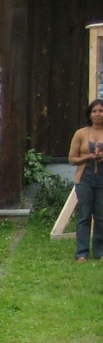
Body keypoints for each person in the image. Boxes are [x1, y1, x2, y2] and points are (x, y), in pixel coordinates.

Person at [67, 98, 103, 262]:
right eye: (94, 111)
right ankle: (82, 253)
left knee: (101, 216)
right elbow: (72, 159)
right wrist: (89, 156)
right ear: (89, 114)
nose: (98, 114)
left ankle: (100, 251)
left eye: (101, 111)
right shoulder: (81, 133)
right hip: (85, 179)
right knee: (85, 215)